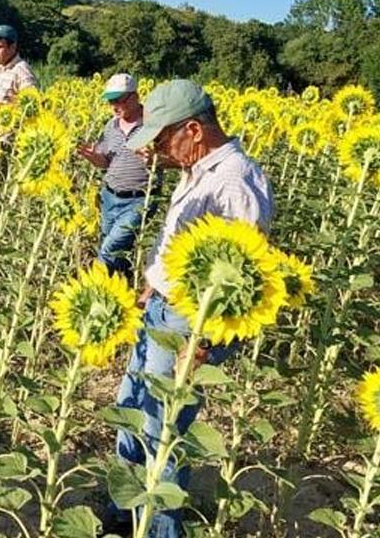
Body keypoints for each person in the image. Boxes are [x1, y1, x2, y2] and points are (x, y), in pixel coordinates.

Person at [108, 79, 274, 537]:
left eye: (163, 139)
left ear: (194, 130)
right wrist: (149, 285)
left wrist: (203, 342)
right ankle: (124, 513)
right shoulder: (198, 169)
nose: (158, 150)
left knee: (165, 431)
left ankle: (159, 528)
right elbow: (179, 243)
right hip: (160, 308)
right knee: (131, 407)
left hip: (190, 321)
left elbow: (245, 272)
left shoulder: (234, 180)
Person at [77, 73, 159, 276]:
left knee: (109, 249)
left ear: (134, 96)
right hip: (109, 197)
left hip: (138, 200)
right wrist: (92, 157)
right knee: (117, 253)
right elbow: (106, 161)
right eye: (110, 101)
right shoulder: (111, 126)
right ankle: (125, 287)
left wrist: (156, 158)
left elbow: (173, 158)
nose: (114, 106)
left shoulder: (153, 125)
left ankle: (93, 284)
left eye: (118, 100)